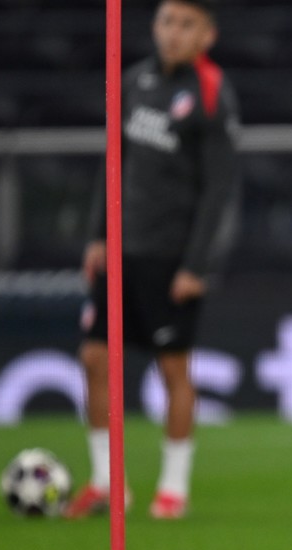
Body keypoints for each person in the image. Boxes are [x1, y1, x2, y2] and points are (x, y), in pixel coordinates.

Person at [64, 0, 239, 520]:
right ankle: (106, 482)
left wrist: (197, 265)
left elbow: (219, 190)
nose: (174, 33)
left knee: (172, 369)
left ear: (207, 35)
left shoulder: (211, 92)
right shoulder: (133, 82)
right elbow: (114, 162)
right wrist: (98, 235)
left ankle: (173, 488)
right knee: (94, 359)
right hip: (122, 250)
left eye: (187, 24)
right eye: (167, 21)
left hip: (171, 256)